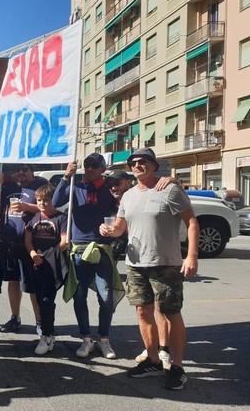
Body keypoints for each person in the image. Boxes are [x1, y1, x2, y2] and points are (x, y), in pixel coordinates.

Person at [100, 147, 199, 390]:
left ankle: (177, 367)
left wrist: (192, 257)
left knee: (170, 314)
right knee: (143, 313)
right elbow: (121, 228)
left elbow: (192, 222)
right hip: (136, 264)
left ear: (154, 165)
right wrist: (110, 231)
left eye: (143, 161)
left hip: (166, 263)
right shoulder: (128, 195)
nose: (137, 165)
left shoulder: (169, 189)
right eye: (133, 162)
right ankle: (153, 360)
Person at [53, 153, 122, 360]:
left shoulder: (110, 189)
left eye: (93, 165)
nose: (89, 169)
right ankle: (85, 339)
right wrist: (66, 177)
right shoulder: (76, 186)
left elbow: (120, 215)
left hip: (102, 249)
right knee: (80, 296)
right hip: (80, 248)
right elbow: (56, 201)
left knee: (106, 297)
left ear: (102, 168)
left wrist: (114, 230)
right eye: (86, 165)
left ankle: (103, 339)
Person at [105, 169, 174, 367]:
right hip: (134, 259)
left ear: (128, 182)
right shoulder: (115, 200)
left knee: (161, 307)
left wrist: (172, 180)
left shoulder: (148, 191)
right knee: (143, 308)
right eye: (110, 185)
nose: (113, 188)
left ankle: (163, 350)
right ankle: (152, 349)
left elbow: (187, 216)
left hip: (158, 257)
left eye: (117, 183)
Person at [0, 164, 47, 335]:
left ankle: (40, 321)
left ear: (32, 170)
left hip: (30, 243)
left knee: (32, 285)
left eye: (25, 169)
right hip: (9, 244)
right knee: (13, 282)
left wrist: (27, 207)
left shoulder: (40, 185)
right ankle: (15, 317)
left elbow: (47, 207)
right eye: (18, 169)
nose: (21, 172)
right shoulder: (8, 186)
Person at [24, 183, 68, 354]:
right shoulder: (34, 219)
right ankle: (48, 332)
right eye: (39, 200)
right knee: (40, 300)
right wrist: (34, 254)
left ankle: (47, 335)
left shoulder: (61, 218)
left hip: (53, 266)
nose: (42, 204)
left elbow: (64, 242)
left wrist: (48, 256)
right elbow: (27, 240)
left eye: (46, 200)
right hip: (36, 264)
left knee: (47, 300)